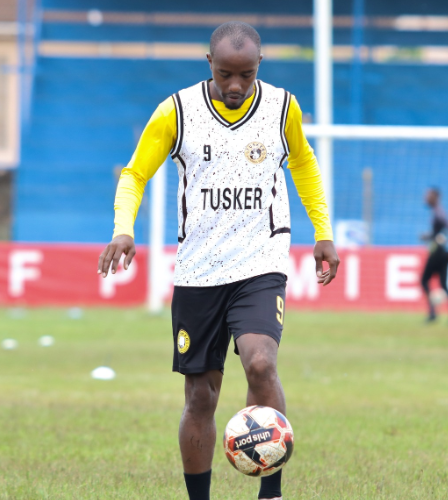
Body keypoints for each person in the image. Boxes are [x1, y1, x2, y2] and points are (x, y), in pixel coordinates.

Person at [98, 22, 339, 500]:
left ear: (259, 68)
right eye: (226, 73)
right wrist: (122, 229)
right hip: (199, 271)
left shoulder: (281, 107)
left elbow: (305, 165)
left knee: (261, 365)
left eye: (245, 75)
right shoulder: (177, 111)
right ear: (209, 63)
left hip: (260, 262)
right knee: (200, 396)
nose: (234, 86)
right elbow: (134, 174)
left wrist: (323, 233)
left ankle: (270, 494)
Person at [420, 187, 448, 324]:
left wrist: (432, 237)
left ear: (435, 197)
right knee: (443, 284)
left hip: (438, 253)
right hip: (444, 252)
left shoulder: (438, 213)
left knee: (424, 280)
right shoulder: (439, 212)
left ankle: (432, 312)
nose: (425, 197)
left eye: (428, 195)